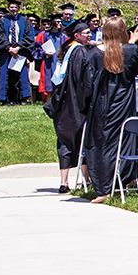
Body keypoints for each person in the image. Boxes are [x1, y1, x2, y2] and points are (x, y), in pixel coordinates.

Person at [84, 18, 138, 202]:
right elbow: (136, 67)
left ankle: (103, 188)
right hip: (124, 104)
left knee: (102, 144)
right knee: (123, 141)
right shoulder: (131, 51)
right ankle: (122, 182)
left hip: (101, 105)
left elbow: (87, 84)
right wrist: (130, 43)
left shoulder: (94, 54)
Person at [43, 19, 97, 193]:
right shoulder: (81, 52)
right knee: (83, 140)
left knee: (64, 142)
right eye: (86, 33)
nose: (90, 35)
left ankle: (64, 182)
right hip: (76, 106)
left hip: (63, 106)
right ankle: (87, 181)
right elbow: (85, 82)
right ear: (77, 35)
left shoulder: (68, 51)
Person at [0, 0, 33, 104]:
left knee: (18, 75)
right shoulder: (2, 20)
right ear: (8, 8)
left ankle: (17, 100)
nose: (13, 9)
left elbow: (29, 36)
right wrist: (9, 47)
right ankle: (4, 100)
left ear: (18, 8)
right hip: (5, 52)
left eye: (15, 7)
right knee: (4, 76)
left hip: (20, 52)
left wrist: (18, 47)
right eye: (11, 7)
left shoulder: (25, 20)